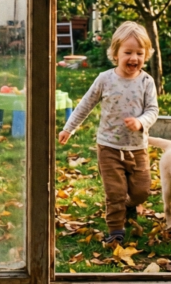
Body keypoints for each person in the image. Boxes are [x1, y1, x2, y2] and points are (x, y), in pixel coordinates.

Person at [58, 21, 159, 247]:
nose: (134, 58)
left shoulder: (146, 82)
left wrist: (140, 122)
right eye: (128, 52)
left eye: (139, 53)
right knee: (115, 192)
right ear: (115, 54)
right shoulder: (105, 79)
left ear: (146, 55)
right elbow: (85, 105)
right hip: (109, 147)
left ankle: (130, 205)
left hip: (137, 147)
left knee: (141, 191)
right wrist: (69, 128)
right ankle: (115, 231)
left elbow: (153, 110)